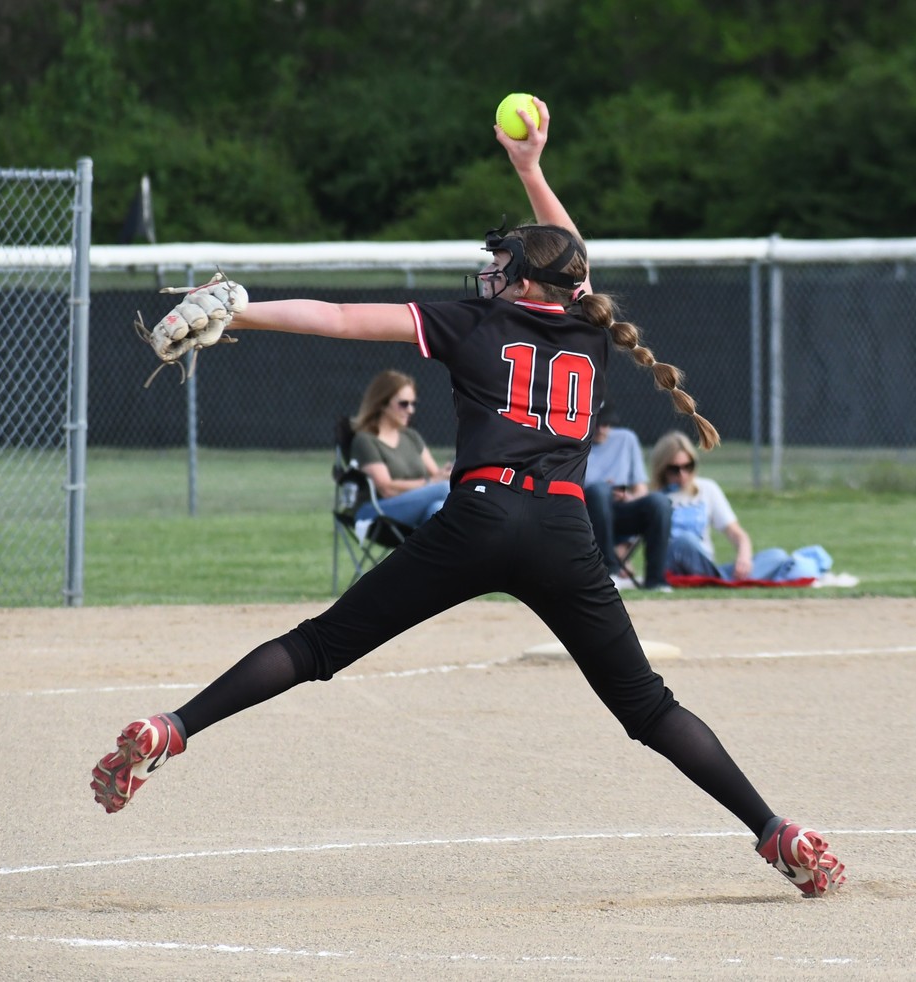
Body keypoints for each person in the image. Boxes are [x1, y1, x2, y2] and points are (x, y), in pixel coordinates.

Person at [91, 97, 844, 898]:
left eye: (507, 262)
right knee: (652, 712)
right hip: (561, 527)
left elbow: (340, 318)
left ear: (525, 281)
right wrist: (532, 168)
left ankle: (172, 729)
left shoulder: (474, 322)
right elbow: (573, 258)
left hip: (477, 518)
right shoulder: (589, 327)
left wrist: (245, 309)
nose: (493, 270)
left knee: (317, 647)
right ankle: (777, 833)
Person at [652, 430, 830, 582]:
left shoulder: (707, 489)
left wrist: (743, 558)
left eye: (688, 466)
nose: (682, 475)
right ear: (662, 469)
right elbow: (629, 542)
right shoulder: (654, 497)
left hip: (709, 568)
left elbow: (736, 533)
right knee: (684, 542)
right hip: (674, 567)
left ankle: (722, 579)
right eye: (674, 469)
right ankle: (724, 580)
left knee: (777, 555)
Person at [583, 405, 671, 592]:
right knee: (599, 491)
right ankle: (609, 571)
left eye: (607, 424)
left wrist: (627, 496)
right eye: (597, 424)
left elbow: (641, 489)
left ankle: (656, 581)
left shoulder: (626, 439)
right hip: (586, 515)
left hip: (621, 510)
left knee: (660, 502)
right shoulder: (575, 442)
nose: (602, 429)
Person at [349, 369, 451, 530]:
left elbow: (436, 476)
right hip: (375, 511)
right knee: (445, 489)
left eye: (413, 404)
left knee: (437, 509)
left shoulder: (411, 436)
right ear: (382, 403)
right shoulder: (365, 440)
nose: (411, 410)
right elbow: (386, 489)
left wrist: (446, 474)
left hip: (413, 510)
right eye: (404, 404)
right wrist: (431, 482)